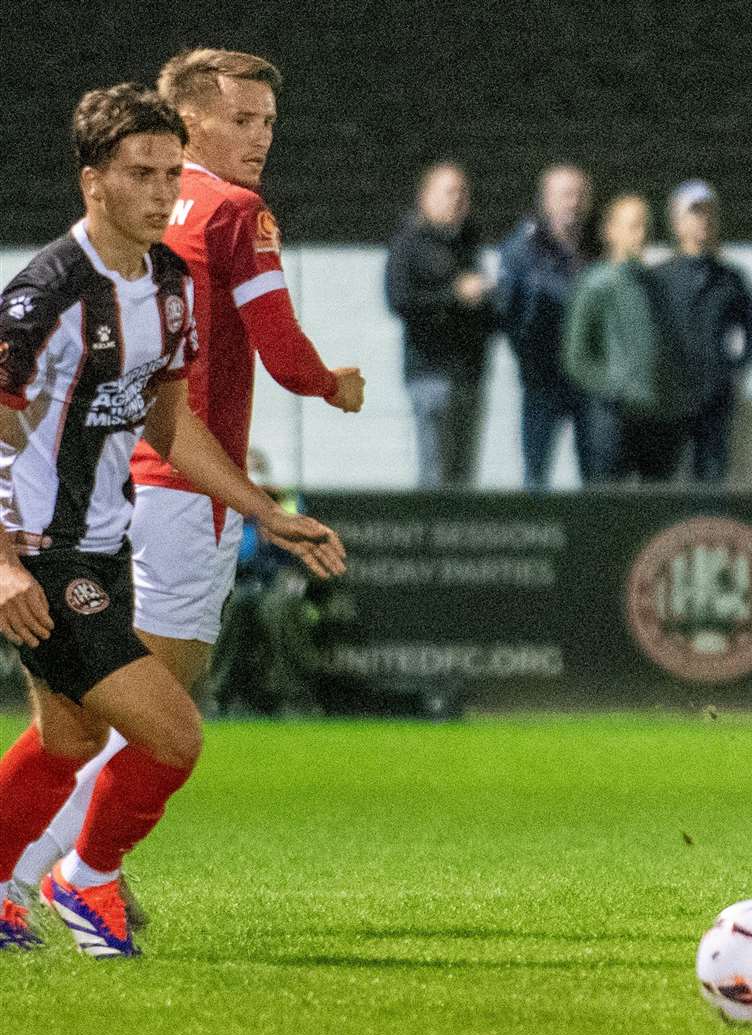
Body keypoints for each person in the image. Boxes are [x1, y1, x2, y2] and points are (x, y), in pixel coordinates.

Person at [9, 48, 365, 919]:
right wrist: (334, 385)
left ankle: (32, 881)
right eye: (241, 120)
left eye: (270, 123)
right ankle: (70, 879)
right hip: (100, 526)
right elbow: (280, 354)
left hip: (123, 509)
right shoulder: (66, 281)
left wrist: (264, 512)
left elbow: (166, 412)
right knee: (161, 720)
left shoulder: (155, 265)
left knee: (75, 730)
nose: (261, 138)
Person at [386, 161, 500, 488]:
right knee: (436, 475)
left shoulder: (468, 243)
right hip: (431, 373)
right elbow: (400, 300)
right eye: (449, 191)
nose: (458, 200)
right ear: (426, 197)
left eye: (463, 192)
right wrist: (455, 294)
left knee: (465, 476)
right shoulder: (409, 242)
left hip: (470, 374)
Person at [563, 194, 687, 481]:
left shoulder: (654, 284)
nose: (640, 234)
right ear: (610, 231)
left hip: (655, 414)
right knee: (607, 505)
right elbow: (576, 355)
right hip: (611, 415)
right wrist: (612, 385)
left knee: (654, 509)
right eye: (632, 225)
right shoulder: (596, 283)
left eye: (645, 226)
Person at [653, 180, 752, 484]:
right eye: (694, 213)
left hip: (715, 396)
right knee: (665, 479)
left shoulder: (731, 278)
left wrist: (733, 369)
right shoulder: (659, 278)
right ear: (676, 222)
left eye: (708, 214)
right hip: (668, 399)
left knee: (712, 478)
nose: (702, 221)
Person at [500, 163, 597, 489]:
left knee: (595, 479)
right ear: (545, 200)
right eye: (565, 195)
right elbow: (509, 313)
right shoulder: (522, 248)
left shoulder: (598, 246)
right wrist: (530, 361)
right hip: (542, 382)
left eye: (579, 195)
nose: (573, 202)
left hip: (589, 382)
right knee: (536, 480)